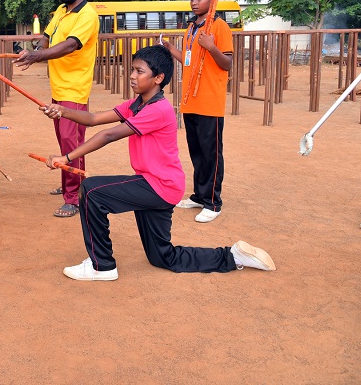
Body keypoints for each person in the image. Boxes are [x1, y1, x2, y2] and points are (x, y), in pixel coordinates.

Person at [40, 45, 275, 281]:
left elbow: (109, 135)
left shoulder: (159, 109)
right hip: (155, 184)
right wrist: (62, 111)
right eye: (132, 69)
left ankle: (102, 266)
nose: (132, 75)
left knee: (91, 191)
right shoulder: (136, 104)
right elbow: (92, 119)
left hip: (159, 186)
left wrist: (66, 157)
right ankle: (233, 256)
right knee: (163, 257)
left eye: (139, 71)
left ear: (158, 78)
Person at [14, 0, 99, 217]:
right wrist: (36, 49)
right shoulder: (62, 10)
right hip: (59, 88)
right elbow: (48, 36)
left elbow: (70, 45)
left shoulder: (87, 15)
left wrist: (36, 56)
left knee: (73, 145)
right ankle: (70, 184)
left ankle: (73, 198)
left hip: (74, 90)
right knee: (66, 143)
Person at [162, 0, 233, 223]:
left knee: (211, 154)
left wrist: (212, 47)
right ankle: (199, 195)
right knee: (197, 153)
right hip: (190, 101)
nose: (193, 2)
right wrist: (172, 49)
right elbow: (190, 61)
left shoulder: (220, 27)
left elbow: (227, 63)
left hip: (210, 102)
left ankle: (213, 202)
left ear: (212, 0)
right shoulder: (191, 28)